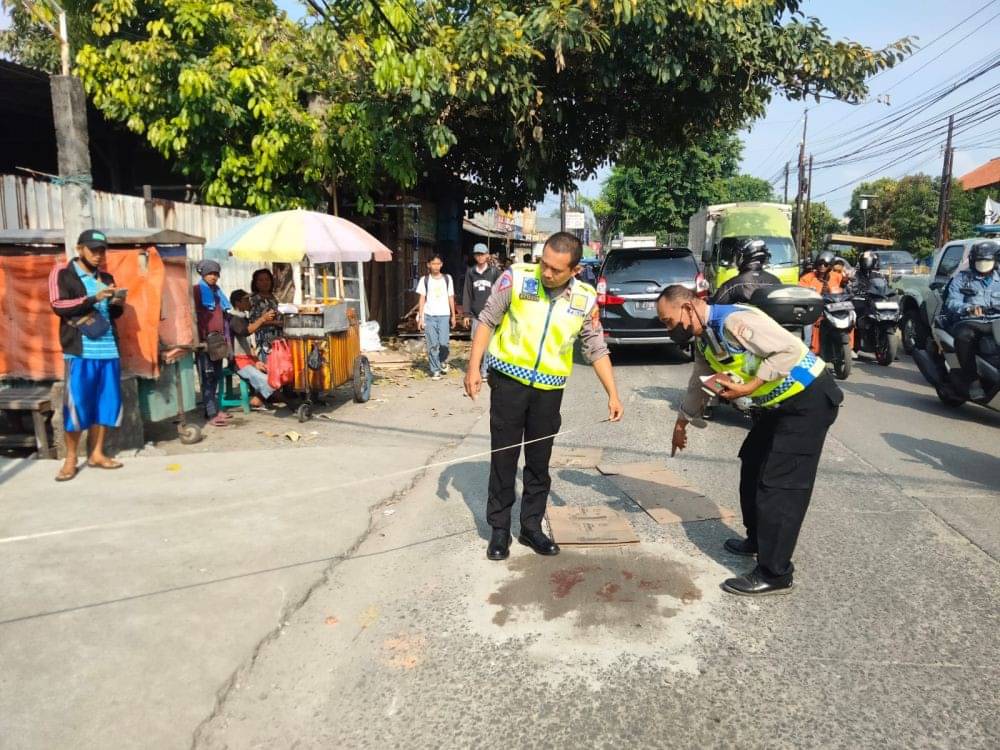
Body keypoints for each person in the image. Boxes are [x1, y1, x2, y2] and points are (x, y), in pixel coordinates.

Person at [659, 284, 842, 596]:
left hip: (807, 400)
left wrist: (749, 387)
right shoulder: (705, 340)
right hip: (777, 407)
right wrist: (682, 422)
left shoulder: (733, 322)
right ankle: (757, 540)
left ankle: (776, 572)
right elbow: (698, 382)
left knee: (780, 485)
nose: (670, 328)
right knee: (753, 463)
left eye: (669, 320)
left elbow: (788, 350)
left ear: (688, 308)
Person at [465, 232, 624, 561]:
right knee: (504, 458)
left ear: (575, 270)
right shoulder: (517, 278)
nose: (546, 273)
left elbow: (595, 347)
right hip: (508, 381)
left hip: (549, 391)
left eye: (555, 269)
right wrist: (473, 368)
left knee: (538, 462)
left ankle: (531, 527)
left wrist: (613, 393)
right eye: (544, 264)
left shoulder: (584, 298)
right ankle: (498, 529)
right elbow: (487, 320)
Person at [48, 229, 126, 481]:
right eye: (93, 250)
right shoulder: (63, 273)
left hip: (108, 350)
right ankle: (71, 459)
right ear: (79, 249)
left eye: (102, 250)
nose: (98, 255)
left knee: (105, 404)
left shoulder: (106, 276)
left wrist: (116, 303)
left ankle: (97, 453)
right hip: (80, 352)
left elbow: (112, 315)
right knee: (77, 406)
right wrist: (94, 297)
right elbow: (58, 305)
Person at [943, 240, 1000, 400]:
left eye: (987, 261)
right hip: (971, 322)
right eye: (979, 261)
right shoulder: (962, 278)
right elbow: (951, 301)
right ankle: (972, 380)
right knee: (964, 336)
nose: (983, 264)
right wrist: (968, 308)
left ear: (995, 261)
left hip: (996, 322)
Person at [194, 260, 232, 427]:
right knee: (207, 376)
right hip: (204, 340)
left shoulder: (216, 291)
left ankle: (214, 409)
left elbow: (224, 311)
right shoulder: (197, 290)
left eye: (216, 274)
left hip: (218, 340)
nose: (213, 277)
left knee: (215, 376)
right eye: (210, 274)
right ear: (203, 274)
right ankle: (211, 414)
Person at [228, 289, 278, 410]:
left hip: (249, 359)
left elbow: (249, 343)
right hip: (238, 362)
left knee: (274, 373)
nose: (249, 302)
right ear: (238, 303)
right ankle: (259, 400)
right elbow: (246, 332)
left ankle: (259, 399)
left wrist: (256, 361)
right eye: (246, 300)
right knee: (266, 380)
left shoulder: (243, 317)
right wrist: (262, 319)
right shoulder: (233, 318)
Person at [462, 243, 502, 379]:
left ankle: (485, 370)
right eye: (477, 254)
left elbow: (501, 292)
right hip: (475, 314)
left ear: (487, 255)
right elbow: (467, 293)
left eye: (482, 254)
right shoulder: (471, 272)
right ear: (474, 256)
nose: (480, 257)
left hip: (490, 314)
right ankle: (477, 368)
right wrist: (466, 313)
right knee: (476, 342)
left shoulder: (494, 272)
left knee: (488, 344)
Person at [416, 255, 457, 380]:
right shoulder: (424, 280)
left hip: (444, 315)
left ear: (441, 264)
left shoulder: (447, 279)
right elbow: (422, 299)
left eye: (438, 263)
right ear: (428, 265)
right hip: (429, 316)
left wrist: (453, 316)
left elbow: (451, 297)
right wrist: (421, 317)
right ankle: (435, 370)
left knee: (444, 343)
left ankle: (442, 360)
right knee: (432, 344)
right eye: (433, 263)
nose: (436, 266)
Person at [712, 239, 781, 305]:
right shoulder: (775, 281)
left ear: (741, 257)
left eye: (736, 255)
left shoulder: (733, 285)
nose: (734, 259)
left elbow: (713, 307)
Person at [248, 268, 282, 361]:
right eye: (261, 280)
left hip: (278, 340)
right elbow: (252, 322)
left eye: (267, 279)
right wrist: (274, 323)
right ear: (255, 283)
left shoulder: (274, 297)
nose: (265, 282)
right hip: (263, 342)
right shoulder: (253, 300)